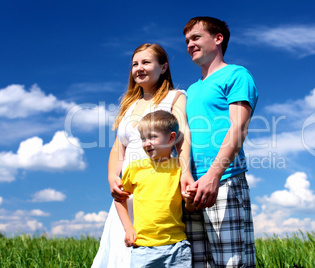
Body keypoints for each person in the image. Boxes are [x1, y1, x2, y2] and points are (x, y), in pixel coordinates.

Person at [92, 43, 193, 268]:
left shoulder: (175, 97)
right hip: (131, 184)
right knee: (124, 246)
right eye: (135, 64)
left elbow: (183, 136)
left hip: (160, 182)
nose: (139, 68)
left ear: (164, 67)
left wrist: (185, 172)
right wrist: (112, 177)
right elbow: (119, 147)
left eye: (146, 62)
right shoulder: (129, 105)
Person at [183, 16, 259, 267]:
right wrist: (186, 175)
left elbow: (238, 127)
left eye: (195, 37)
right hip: (191, 187)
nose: (189, 44)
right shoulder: (191, 91)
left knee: (232, 263)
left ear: (218, 39)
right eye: (187, 41)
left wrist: (214, 175)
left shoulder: (236, 74)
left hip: (223, 180)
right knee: (196, 263)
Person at [115, 110, 194, 267]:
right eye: (143, 138)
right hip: (143, 248)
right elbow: (119, 198)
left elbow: (189, 208)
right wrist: (128, 228)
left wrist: (190, 200)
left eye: (152, 137)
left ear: (171, 138)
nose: (146, 143)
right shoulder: (134, 168)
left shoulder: (179, 168)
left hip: (176, 247)